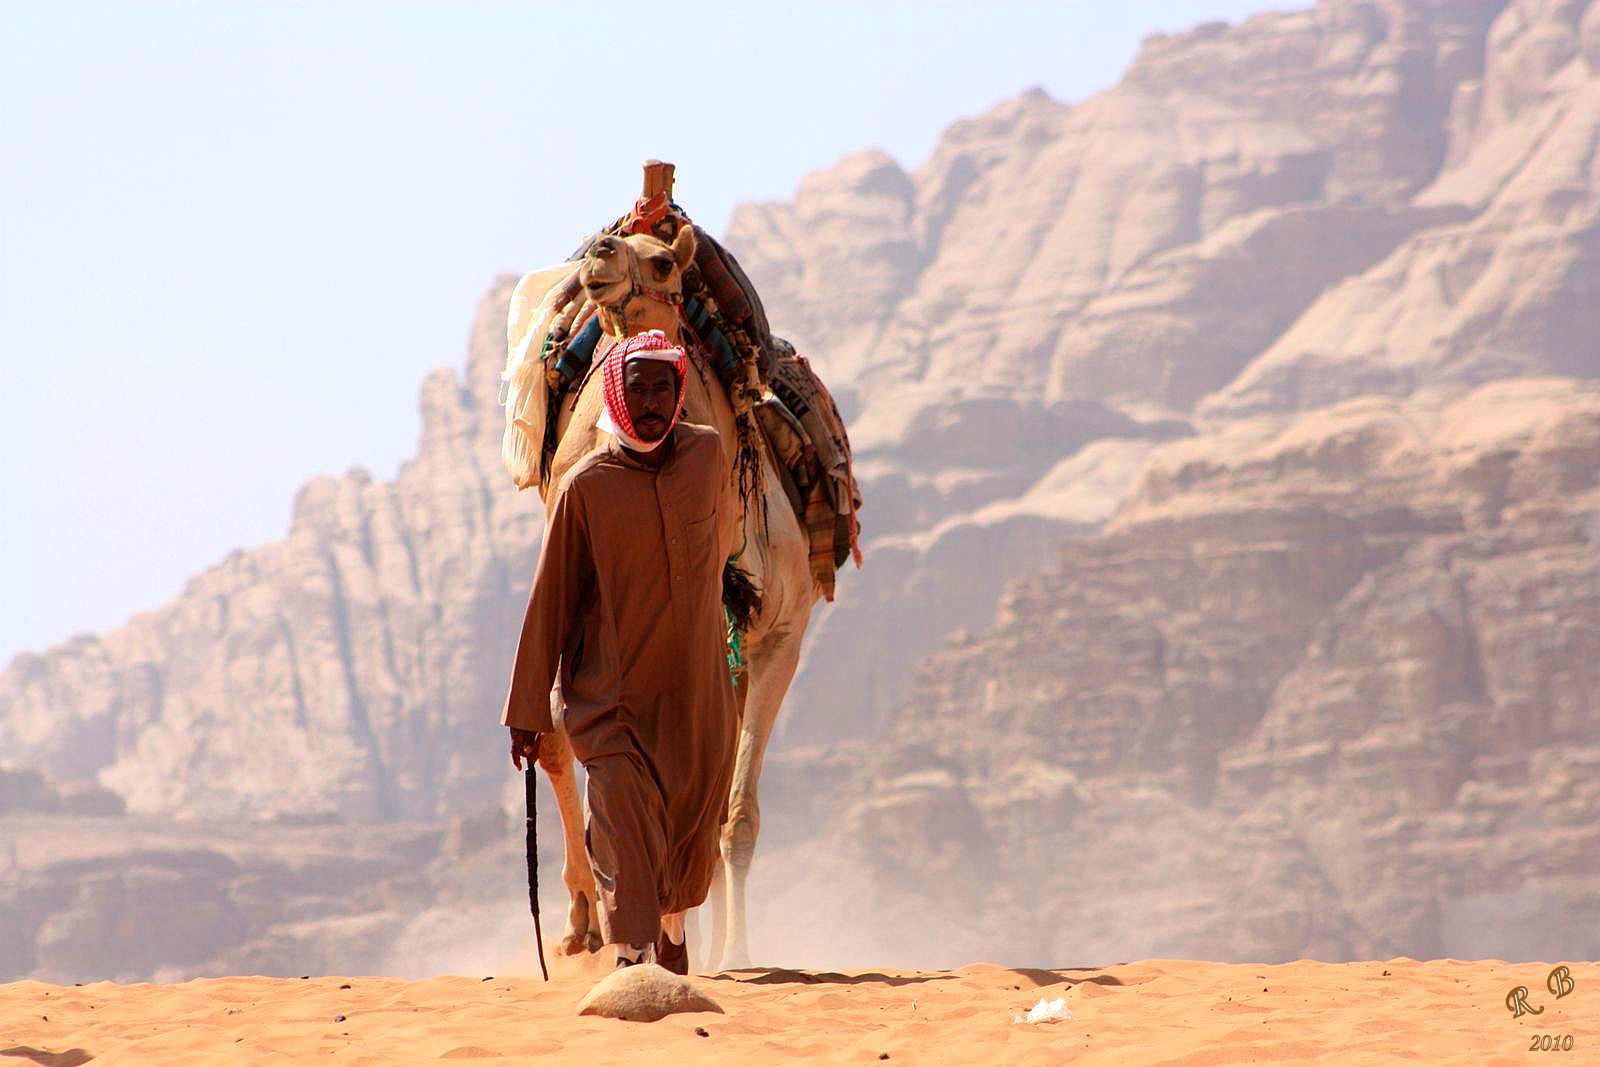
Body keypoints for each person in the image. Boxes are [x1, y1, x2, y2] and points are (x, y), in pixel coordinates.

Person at [501, 329, 736, 973]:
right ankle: (631, 962)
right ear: (616, 391)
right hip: (613, 704)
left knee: (689, 838)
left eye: (665, 388)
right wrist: (528, 711)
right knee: (624, 834)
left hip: (697, 702)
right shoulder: (585, 488)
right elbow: (550, 602)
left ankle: (669, 931)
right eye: (639, 387)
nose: (654, 402)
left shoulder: (709, 456)